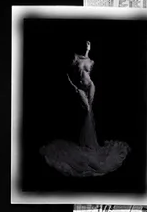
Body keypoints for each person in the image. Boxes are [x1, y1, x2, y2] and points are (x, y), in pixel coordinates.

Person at [40, 39, 130, 177]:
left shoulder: (88, 59)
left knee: (90, 112)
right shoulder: (74, 59)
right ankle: (85, 143)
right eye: (85, 45)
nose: (86, 47)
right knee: (87, 110)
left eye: (87, 45)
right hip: (80, 88)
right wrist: (74, 87)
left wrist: (88, 49)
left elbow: (86, 61)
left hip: (91, 86)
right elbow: (69, 75)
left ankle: (89, 144)